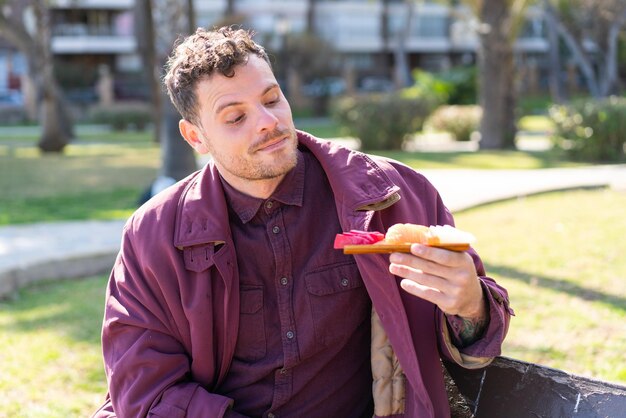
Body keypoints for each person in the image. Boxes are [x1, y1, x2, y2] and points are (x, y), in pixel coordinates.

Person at [93, 26, 513, 418]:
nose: (268, 122)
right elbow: (146, 390)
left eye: (272, 98)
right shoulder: (152, 235)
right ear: (196, 137)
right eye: (236, 117)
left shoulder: (397, 194)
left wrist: (470, 305)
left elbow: (482, 337)